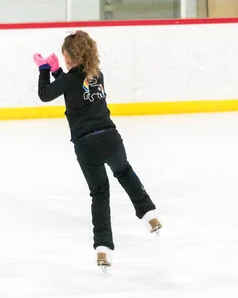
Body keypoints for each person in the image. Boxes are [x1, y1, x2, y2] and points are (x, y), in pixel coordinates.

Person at [33, 30, 162, 271]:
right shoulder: (97, 75)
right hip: (111, 139)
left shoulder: (69, 79)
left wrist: (44, 71)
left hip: (86, 145)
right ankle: (149, 214)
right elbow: (74, 89)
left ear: (69, 58)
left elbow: (46, 94)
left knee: (100, 194)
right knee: (125, 172)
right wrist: (58, 73)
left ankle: (103, 249)